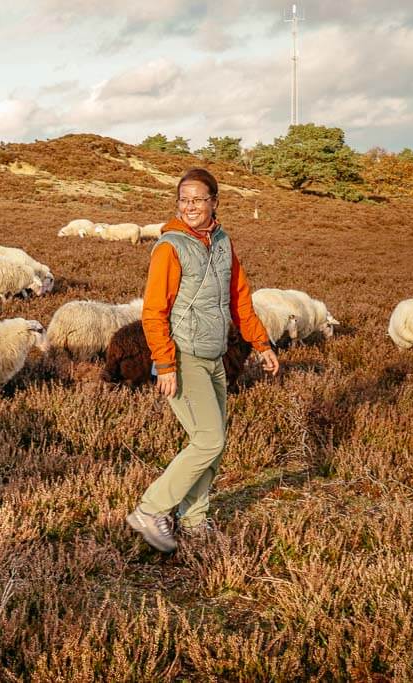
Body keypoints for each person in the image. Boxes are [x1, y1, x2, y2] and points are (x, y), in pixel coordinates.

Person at [126, 167, 279, 553]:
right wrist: (165, 364)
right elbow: (154, 310)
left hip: (214, 355)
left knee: (212, 441)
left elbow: (239, 298)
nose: (190, 206)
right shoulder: (170, 247)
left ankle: (194, 520)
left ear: (214, 202)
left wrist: (260, 344)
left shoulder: (224, 242)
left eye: (198, 199)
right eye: (184, 199)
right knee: (209, 440)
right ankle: (151, 509)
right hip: (183, 354)